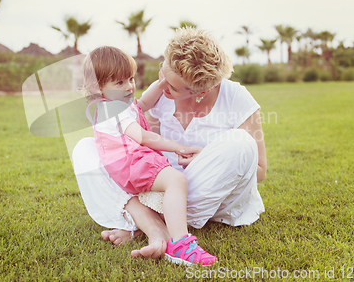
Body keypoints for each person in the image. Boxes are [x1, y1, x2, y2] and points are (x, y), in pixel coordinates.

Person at [73, 27, 267, 260]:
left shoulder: (237, 98)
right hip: (166, 191)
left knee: (242, 143)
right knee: (86, 148)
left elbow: (260, 171)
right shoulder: (161, 97)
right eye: (162, 74)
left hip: (209, 193)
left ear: (200, 91)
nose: (162, 86)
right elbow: (144, 144)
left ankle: (141, 220)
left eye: (172, 87)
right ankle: (156, 227)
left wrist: (207, 158)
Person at [81, 45, 217, 265]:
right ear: (97, 86)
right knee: (176, 180)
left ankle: (137, 230)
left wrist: (162, 83)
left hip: (128, 165)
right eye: (119, 82)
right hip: (132, 163)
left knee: (162, 196)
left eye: (130, 79)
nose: (128, 87)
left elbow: (142, 103)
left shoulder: (113, 105)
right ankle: (180, 244)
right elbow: (142, 136)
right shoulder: (114, 109)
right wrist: (178, 147)